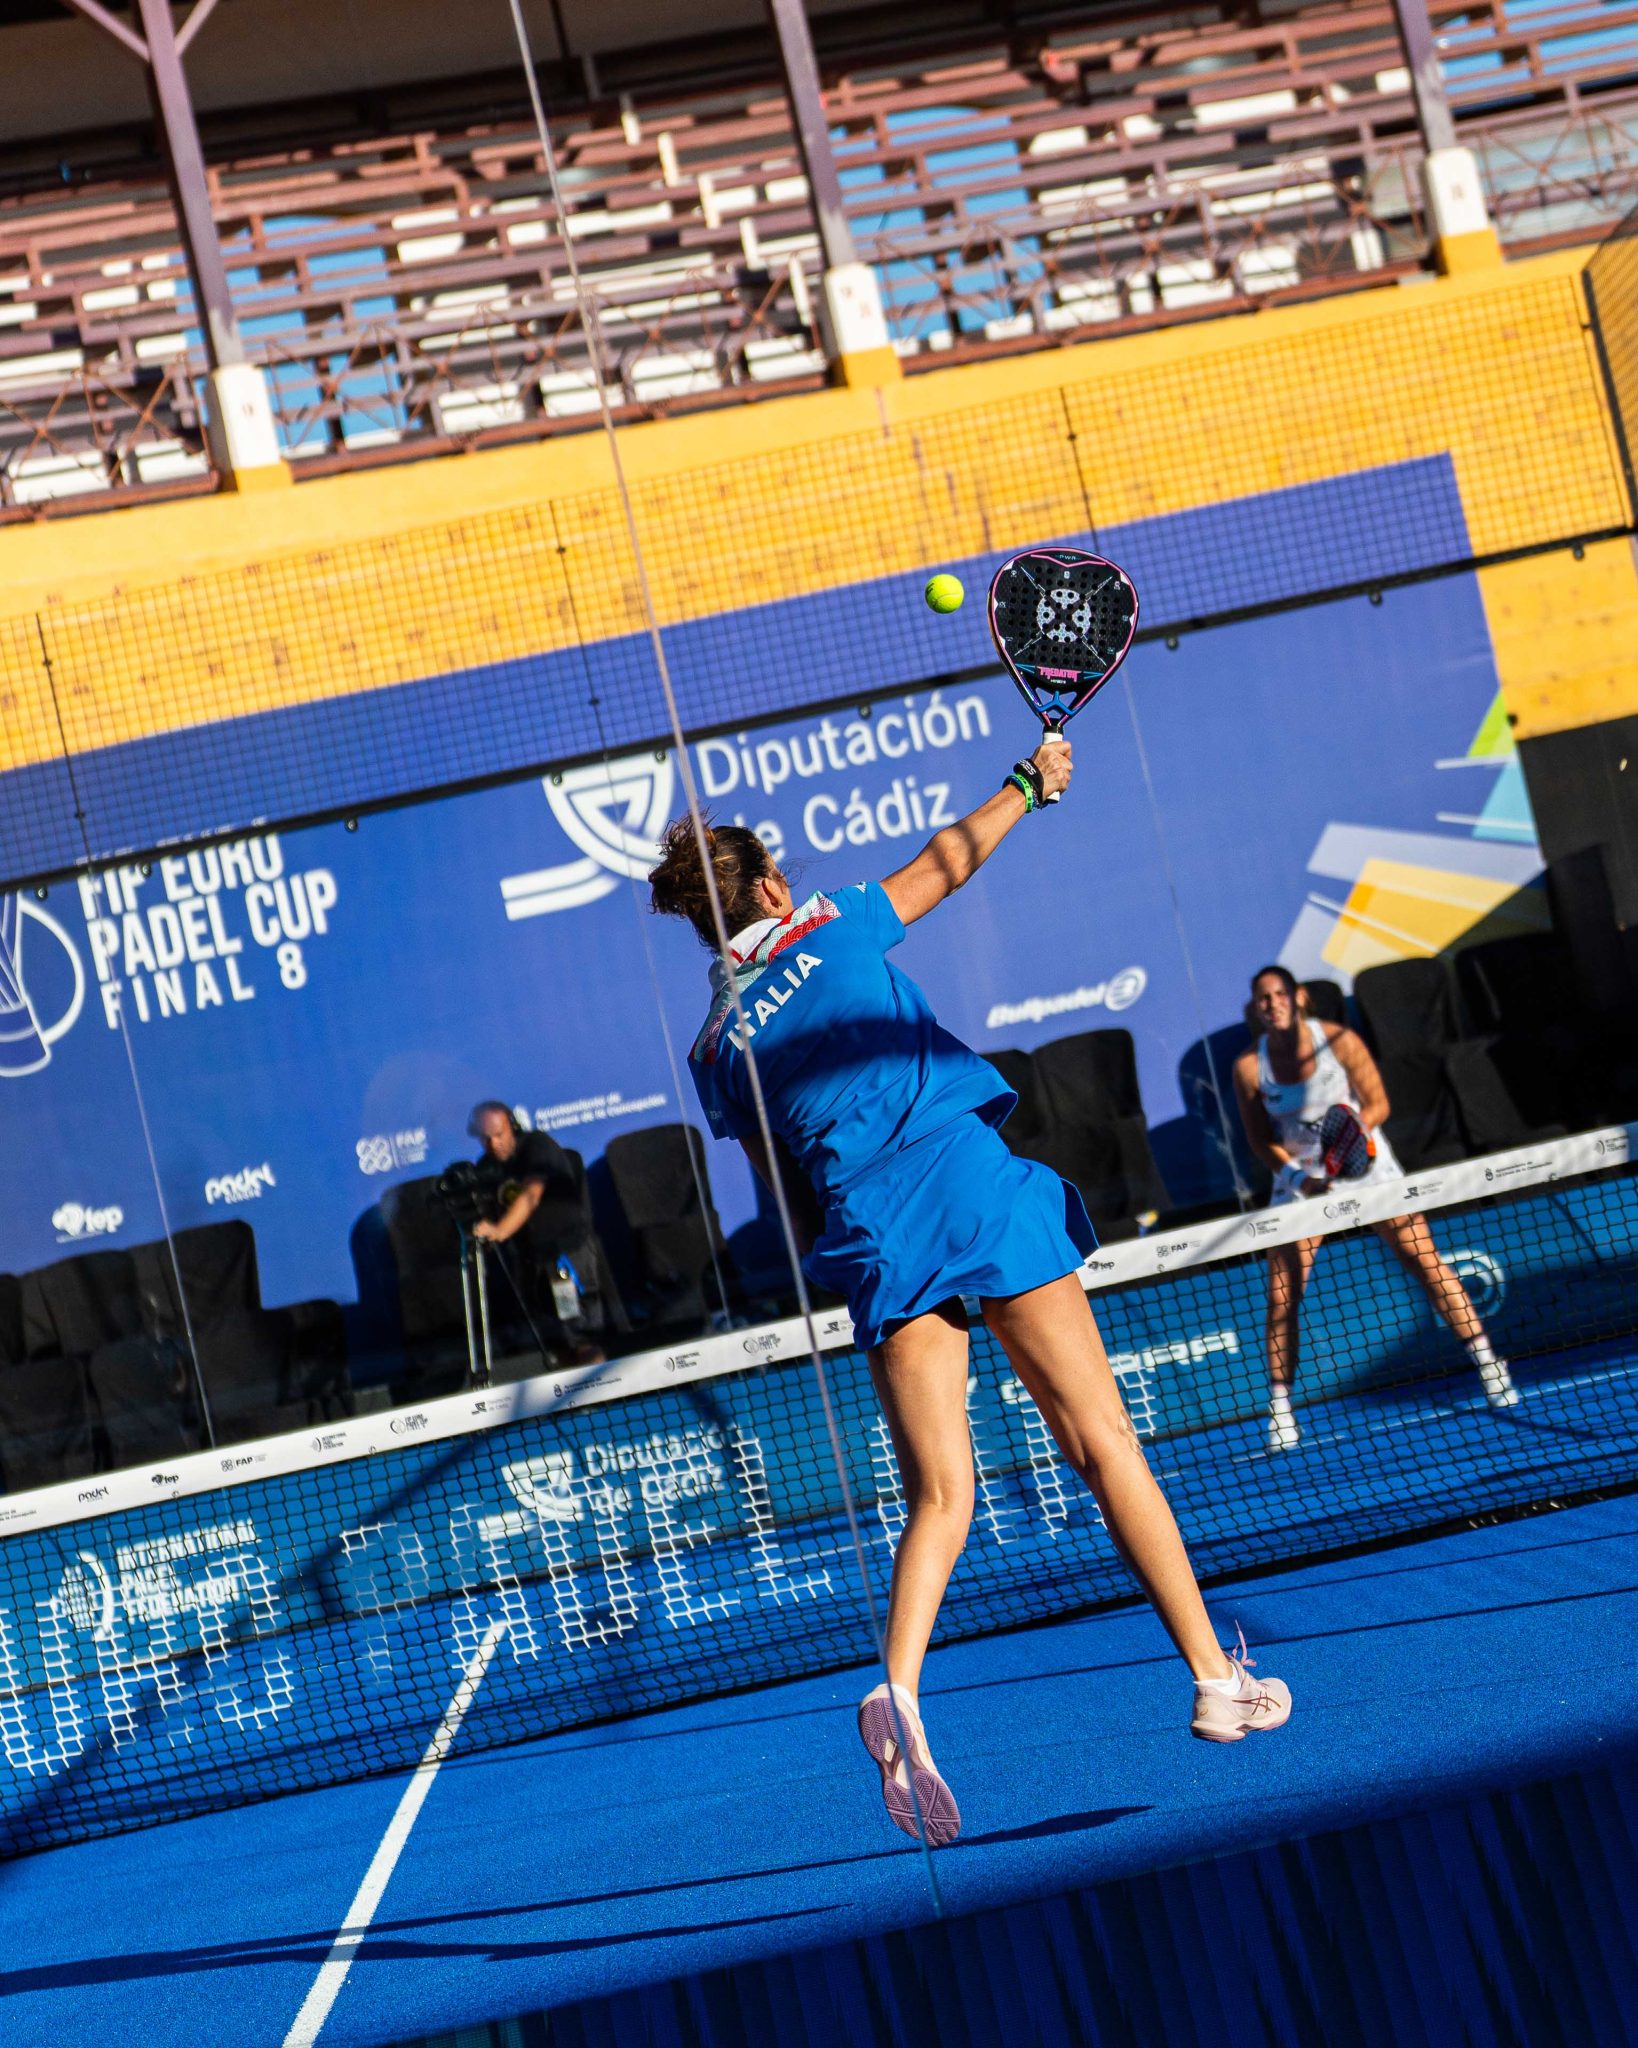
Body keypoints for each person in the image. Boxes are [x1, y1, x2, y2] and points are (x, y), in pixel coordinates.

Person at [648, 743, 1289, 1851]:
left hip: (871, 1237)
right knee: (1104, 1444)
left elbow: (781, 1194)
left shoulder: (713, 1048)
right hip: (968, 1187)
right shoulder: (833, 922)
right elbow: (949, 861)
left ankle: (898, 1687)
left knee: (941, 1497)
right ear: (770, 886)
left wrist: (847, 1260)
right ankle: (1213, 1677)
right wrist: (1031, 785)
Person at [1231, 966, 1519, 1452]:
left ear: (1299, 998)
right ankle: (1280, 1412)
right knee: (1282, 1296)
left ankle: (1490, 1365)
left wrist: (1347, 1145)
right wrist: (1302, 1178)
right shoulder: (1247, 1068)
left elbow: (1378, 1104)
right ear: (1256, 1008)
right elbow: (1261, 1140)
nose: (1273, 1003)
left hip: (1367, 1167)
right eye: (1264, 997)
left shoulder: (1339, 1041)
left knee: (1425, 1262)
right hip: (1302, 1180)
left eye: (1280, 994)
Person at [467, 1102, 623, 1360]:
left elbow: (532, 1194)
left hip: (565, 1255)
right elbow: (488, 1212)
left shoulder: (537, 1145)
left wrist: (500, 1230)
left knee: (582, 1339)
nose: (493, 1144)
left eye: (499, 1135)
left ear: (513, 1127)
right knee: (554, 1344)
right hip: (530, 1262)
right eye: (485, 1138)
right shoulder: (488, 1166)